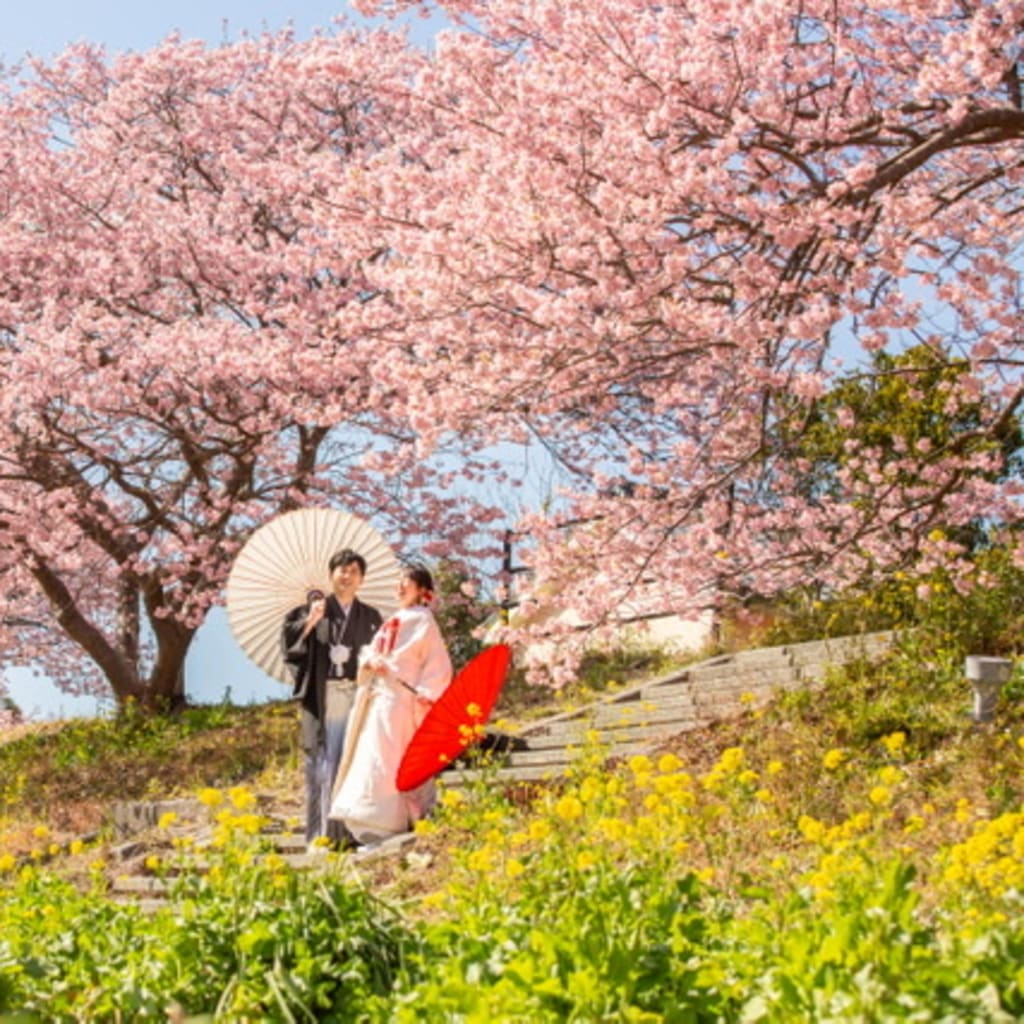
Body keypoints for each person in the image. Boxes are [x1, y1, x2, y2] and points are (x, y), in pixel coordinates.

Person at [329, 564, 452, 846]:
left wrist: (426, 692)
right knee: (371, 753)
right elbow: (372, 651)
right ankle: (367, 817)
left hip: (401, 698)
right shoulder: (393, 620)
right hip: (378, 696)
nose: (399, 587)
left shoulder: (424, 620)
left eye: (405, 582)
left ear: (422, 590)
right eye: (398, 582)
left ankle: (389, 820)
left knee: (388, 757)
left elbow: (437, 664)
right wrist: (369, 661)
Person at [281, 548, 382, 849]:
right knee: (321, 766)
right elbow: (290, 647)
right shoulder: (313, 610)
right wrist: (311, 621)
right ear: (331, 574)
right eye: (342, 570)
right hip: (324, 695)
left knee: (353, 762)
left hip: (357, 694)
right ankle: (319, 836)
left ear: (361, 579)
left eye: (353, 571)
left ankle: (350, 833)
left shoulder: (371, 616)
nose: (347, 576)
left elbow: (380, 654)